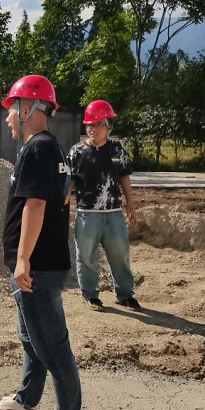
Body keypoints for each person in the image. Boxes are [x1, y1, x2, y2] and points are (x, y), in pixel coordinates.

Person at [0, 75, 85, 410]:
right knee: (31, 337)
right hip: (42, 264)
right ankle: (27, 401)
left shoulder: (37, 149)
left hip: (38, 267)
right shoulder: (52, 149)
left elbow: (36, 205)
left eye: (11, 109)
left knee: (51, 345)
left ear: (27, 108)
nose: (8, 117)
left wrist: (24, 259)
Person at [67, 100, 141, 311]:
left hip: (114, 214)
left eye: (98, 124)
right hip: (87, 214)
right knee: (86, 258)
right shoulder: (77, 152)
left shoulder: (117, 149)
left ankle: (125, 294)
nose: (93, 129)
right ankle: (90, 295)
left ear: (109, 126)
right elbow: (69, 181)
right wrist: (63, 203)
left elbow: (124, 176)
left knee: (120, 256)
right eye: (90, 124)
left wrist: (130, 203)